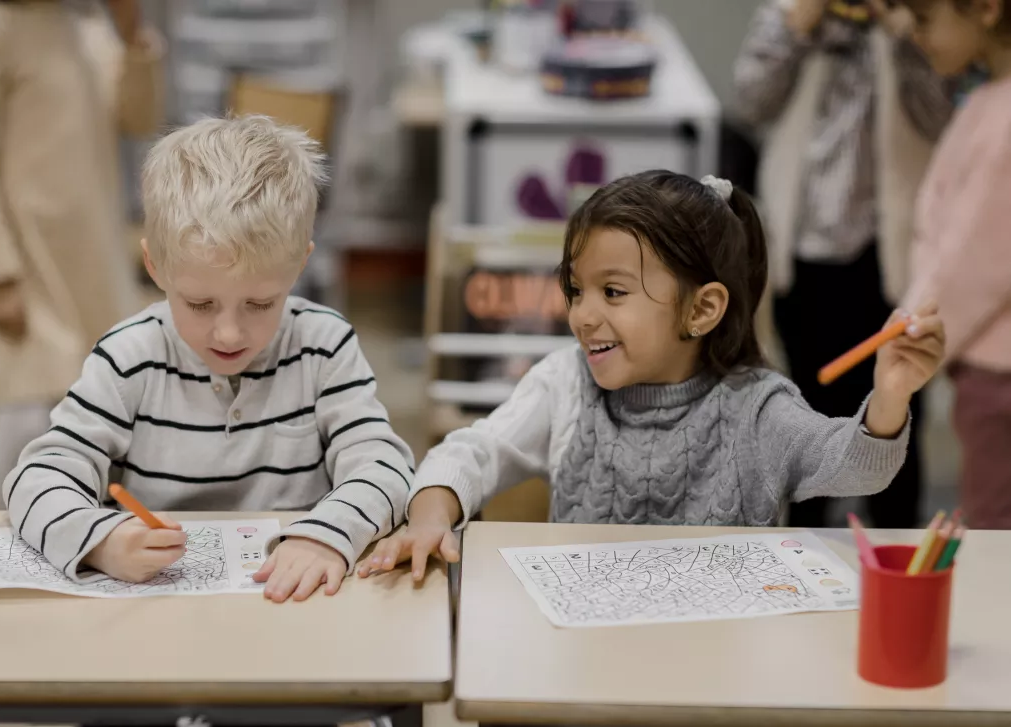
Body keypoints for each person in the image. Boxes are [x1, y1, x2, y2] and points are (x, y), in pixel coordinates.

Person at [357, 170, 946, 580]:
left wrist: (890, 393)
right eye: (576, 290)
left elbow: (856, 466)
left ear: (702, 310)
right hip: (582, 664)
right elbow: (475, 450)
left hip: (711, 677)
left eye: (612, 292)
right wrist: (431, 512)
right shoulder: (566, 382)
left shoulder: (758, 408)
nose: (583, 315)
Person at [2, 115, 415, 602]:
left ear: (299, 265)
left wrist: (325, 536)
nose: (229, 332)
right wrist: (101, 542)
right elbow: (36, 477)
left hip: (294, 605)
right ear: (155, 266)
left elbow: (385, 467)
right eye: (200, 304)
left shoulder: (324, 345)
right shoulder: (128, 356)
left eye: (260, 303)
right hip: (160, 611)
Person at [732, 0, 955, 528]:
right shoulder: (792, 13)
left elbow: (942, 119)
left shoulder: (917, 21)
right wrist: (798, 26)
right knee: (808, 409)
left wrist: (904, 36)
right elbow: (750, 102)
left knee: (899, 403)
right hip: (804, 252)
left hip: (890, 257)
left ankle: (895, 546)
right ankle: (803, 550)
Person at [0, 0, 163, 509]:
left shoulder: (85, 28)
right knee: (25, 416)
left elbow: (140, 117)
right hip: (27, 266)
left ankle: (68, 530)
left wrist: (132, 36)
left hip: (93, 261)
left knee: (93, 416)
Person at [897, 0, 1011, 529]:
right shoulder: (989, 100)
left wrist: (910, 332)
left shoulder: (1003, 116)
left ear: (985, 8)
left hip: (998, 374)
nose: (914, 34)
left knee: (993, 533)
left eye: (924, 19)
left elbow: (977, 260)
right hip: (987, 364)